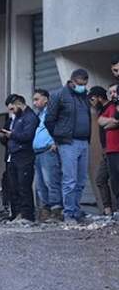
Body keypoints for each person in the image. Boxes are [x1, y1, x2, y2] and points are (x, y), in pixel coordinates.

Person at [44, 69, 91, 224]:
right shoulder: (59, 95)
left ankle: (76, 210)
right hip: (68, 143)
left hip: (84, 142)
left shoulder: (84, 96)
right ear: (72, 81)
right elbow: (49, 120)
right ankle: (69, 213)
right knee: (70, 180)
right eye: (80, 84)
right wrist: (58, 138)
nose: (82, 87)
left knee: (81, 180)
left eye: (85, 84)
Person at [0, 94, 39, 221]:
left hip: (24, 156)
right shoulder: (16, 118)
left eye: (12, 109)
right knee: (13, 186)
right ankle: (16, 214)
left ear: (19, 104)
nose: (11, 112)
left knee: (24, 186)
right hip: (13, 156)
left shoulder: (30, 117)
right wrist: (5, 136)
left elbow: (27, 136)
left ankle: (27, 215)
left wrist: (12, 134)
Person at [32, 89, 63, 221]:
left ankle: (56, 210)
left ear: (46, 99)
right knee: (40, 184)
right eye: (34, 100)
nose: (34, 103)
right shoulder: (39, 115)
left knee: (51, 181)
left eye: (37, 99)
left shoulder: (53, 112)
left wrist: (56, 142)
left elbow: (61, 127)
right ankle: (45, 211)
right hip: (37, 153)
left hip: (48, 151)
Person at [88, 86, 114, 215]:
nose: (91, 102)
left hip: (113, 150)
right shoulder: (101, 110)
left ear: (99, 97)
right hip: (106, 151)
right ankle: (108, 211)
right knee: (100, 179)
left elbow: (113, 123)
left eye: (93, 99)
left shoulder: (111, 107)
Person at [99, 83, 119, 210]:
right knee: (115, 181)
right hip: (110, 150)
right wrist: (111, 122)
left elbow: (115, 121)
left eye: (115, 92)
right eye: (110, 92)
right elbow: (100, 121)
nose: (112, 95)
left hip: (117, 149)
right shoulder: (109, 107)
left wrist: (109, 122)